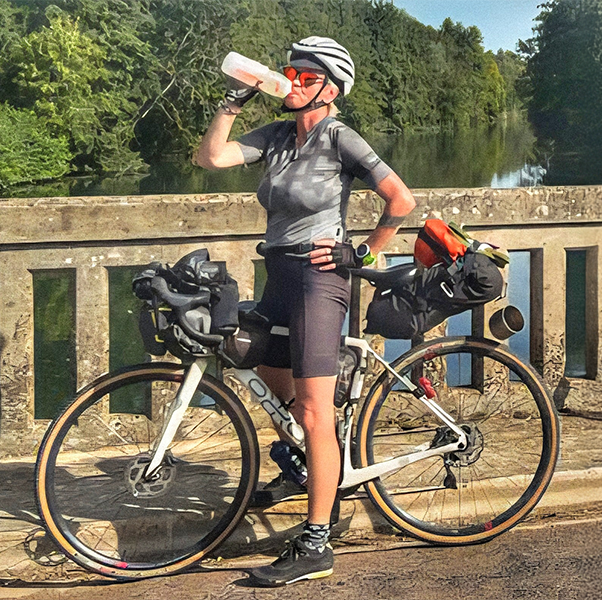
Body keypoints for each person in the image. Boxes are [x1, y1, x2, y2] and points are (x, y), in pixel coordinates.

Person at [196, 36, 415, 586]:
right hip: (280, 273)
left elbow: (401, 200)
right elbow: (212, 157)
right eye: (289, 72)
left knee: (315, 412)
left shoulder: (340, 137)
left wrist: (362, 251)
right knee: (254, 360)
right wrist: (232, 100)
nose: (290, 80)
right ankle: (304, 465)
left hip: (321, 279)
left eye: (302, 75)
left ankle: (317, 541)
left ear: (329, 88)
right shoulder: (274, 136)